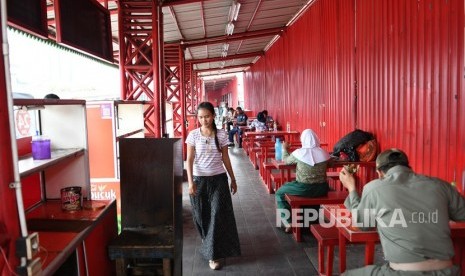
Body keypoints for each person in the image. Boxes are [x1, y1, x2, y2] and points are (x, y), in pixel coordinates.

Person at [339, 148, 465, 275]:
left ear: (380, 173)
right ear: (408, 167)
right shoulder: (441, 185)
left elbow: (360, 224)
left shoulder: (374, 188)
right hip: (448, 271)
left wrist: (351, 188)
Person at [185, 101, 241, 270]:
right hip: (199, 180)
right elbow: (189, 160)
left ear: (213, 116)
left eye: (207, 116)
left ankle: (213, 255)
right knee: (201, 216)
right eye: (201, 117)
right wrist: (190, 183)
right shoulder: (193, 135)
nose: (204, 120)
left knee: (217, 213)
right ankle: (208, 240)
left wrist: (233, 178)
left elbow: (226, 158)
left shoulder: (222, 135)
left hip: (218, 180)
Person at [275, 129, 331, 232]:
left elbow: (286, 160)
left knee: (279, 193)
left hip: (303, 188)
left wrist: (284, 149)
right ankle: (312, 220)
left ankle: (288, 222)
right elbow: (330, 163)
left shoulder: (299, 153)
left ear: (303, 140)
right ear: (316, 138)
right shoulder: (324, 153)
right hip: (322, 188)